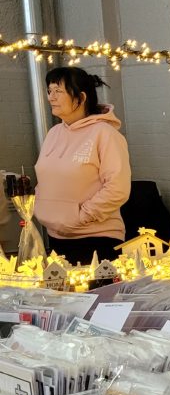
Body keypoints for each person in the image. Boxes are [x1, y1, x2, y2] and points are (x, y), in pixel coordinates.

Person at [35, 67, 131, 264]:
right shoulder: (54, 133)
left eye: (58, 91)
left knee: (93, 294)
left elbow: (117, 189)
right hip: (56, 237)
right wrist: (41, 207)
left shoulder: (105, 134)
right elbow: (45, 179)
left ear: (80, 97)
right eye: (49, 91)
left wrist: (80, 217)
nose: (51, 97)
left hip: (95, 238)